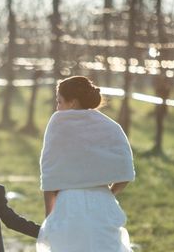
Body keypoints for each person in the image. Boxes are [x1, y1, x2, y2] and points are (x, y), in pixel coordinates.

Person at [37, 76, 135, 252]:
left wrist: (49, 215)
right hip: (103, 202)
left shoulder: (58, 124)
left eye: (59, 102)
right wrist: (109, 194)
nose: (57, 107)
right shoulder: (111, 126)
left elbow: (49, 175)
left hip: (68, 204)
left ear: (72, 102)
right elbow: (125, 172)